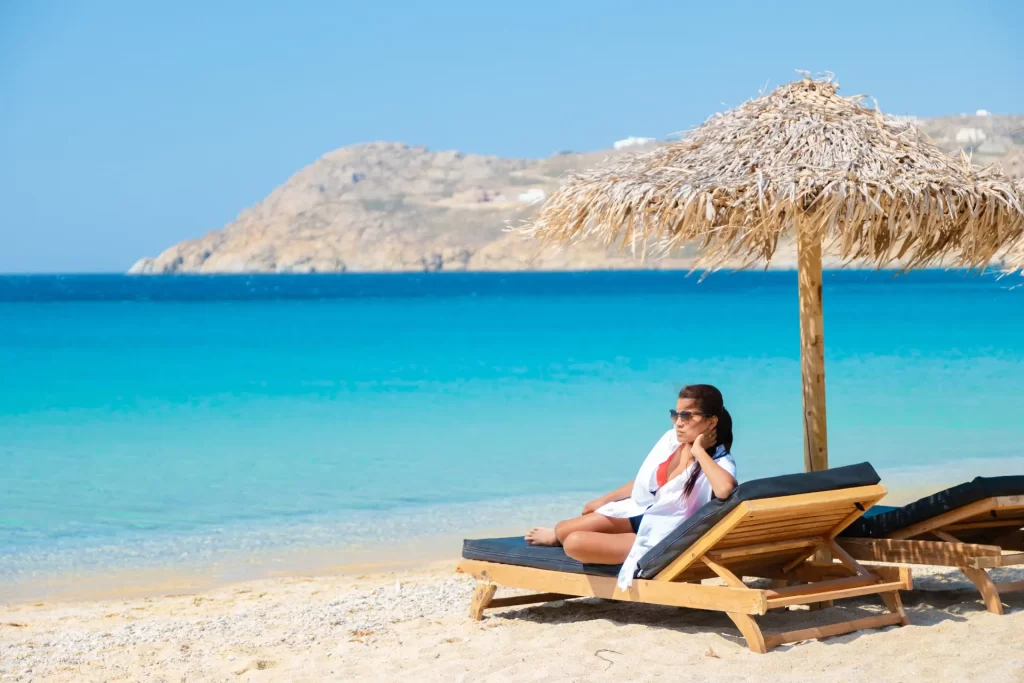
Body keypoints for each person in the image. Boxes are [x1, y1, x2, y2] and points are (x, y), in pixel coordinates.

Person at [525, 384, 737, 589]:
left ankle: (613, 545)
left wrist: (699, 451)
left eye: (688, 415)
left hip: (660, 534)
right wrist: (603, 501)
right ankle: (565, 537)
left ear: (711, 422)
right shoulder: (673, 442)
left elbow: (725, 489)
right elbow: (647, 482)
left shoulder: (718, 462)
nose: (679, 423)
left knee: (574, 542)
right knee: (563, 529)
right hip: (642, 514)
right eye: (676, 414)